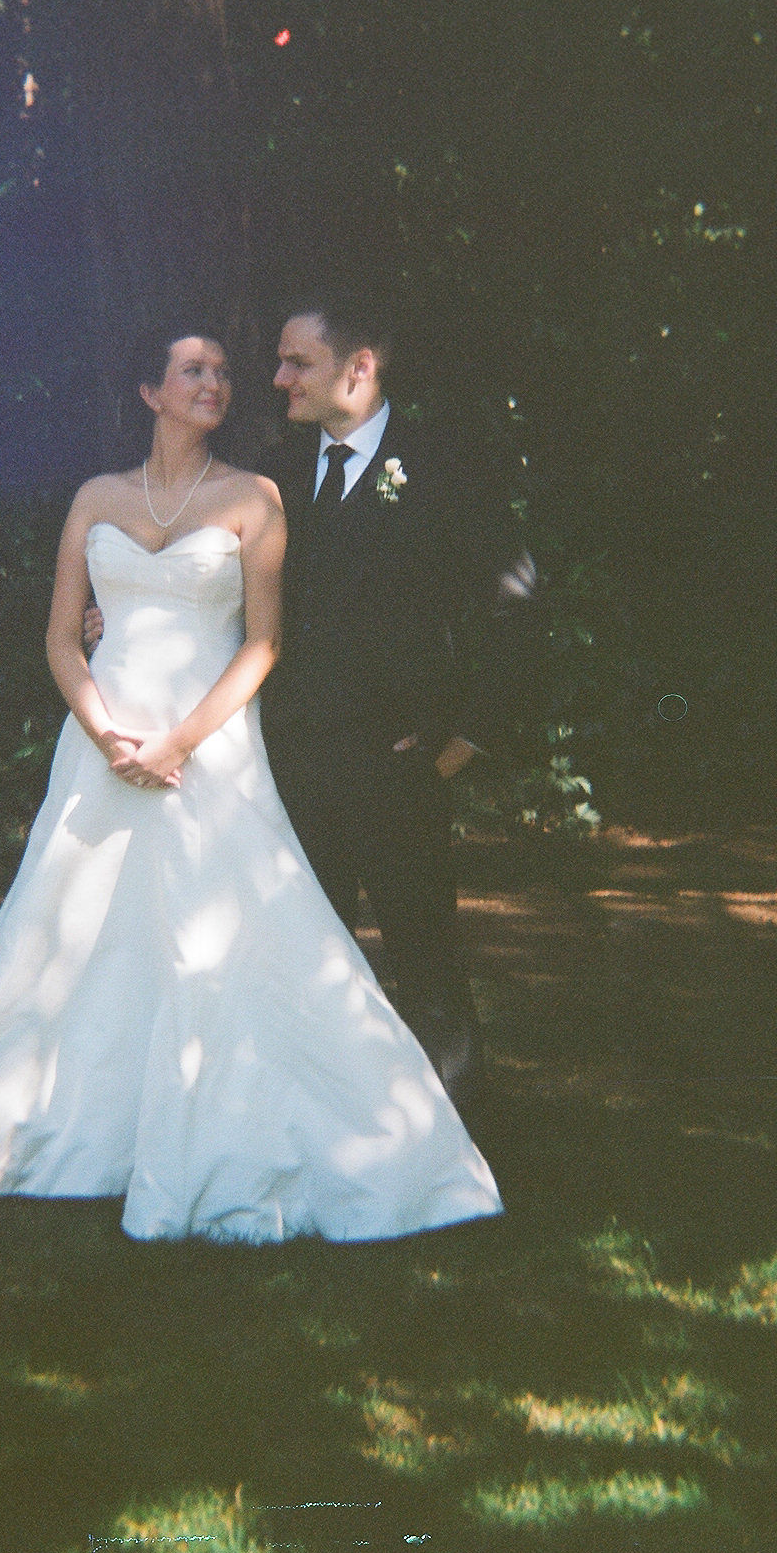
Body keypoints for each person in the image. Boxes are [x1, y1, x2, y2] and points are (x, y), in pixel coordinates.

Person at [0, 321, 502, 1243]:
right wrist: (105, 727)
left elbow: (264, 641)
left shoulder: (258, 496)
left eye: (225, 373)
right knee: (65, 938)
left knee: (225, 941)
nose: (219, 383)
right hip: (103, 747)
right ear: (149, 392)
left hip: (211, 748)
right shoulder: (95, 497)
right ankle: (69, 1120)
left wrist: (182, 742)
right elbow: (58, 633)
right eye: (194, 371)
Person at [262, 298, 528, 1109]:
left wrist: (466, 741)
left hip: (399, 764)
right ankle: (323, 1130)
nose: (279, 379)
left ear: (360, 367)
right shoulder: (269, 467)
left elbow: (513, 600)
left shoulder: (447, 465)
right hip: (290, 766)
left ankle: (465, 1141)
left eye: (296, 363)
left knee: (427, 962)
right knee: (306, 961)